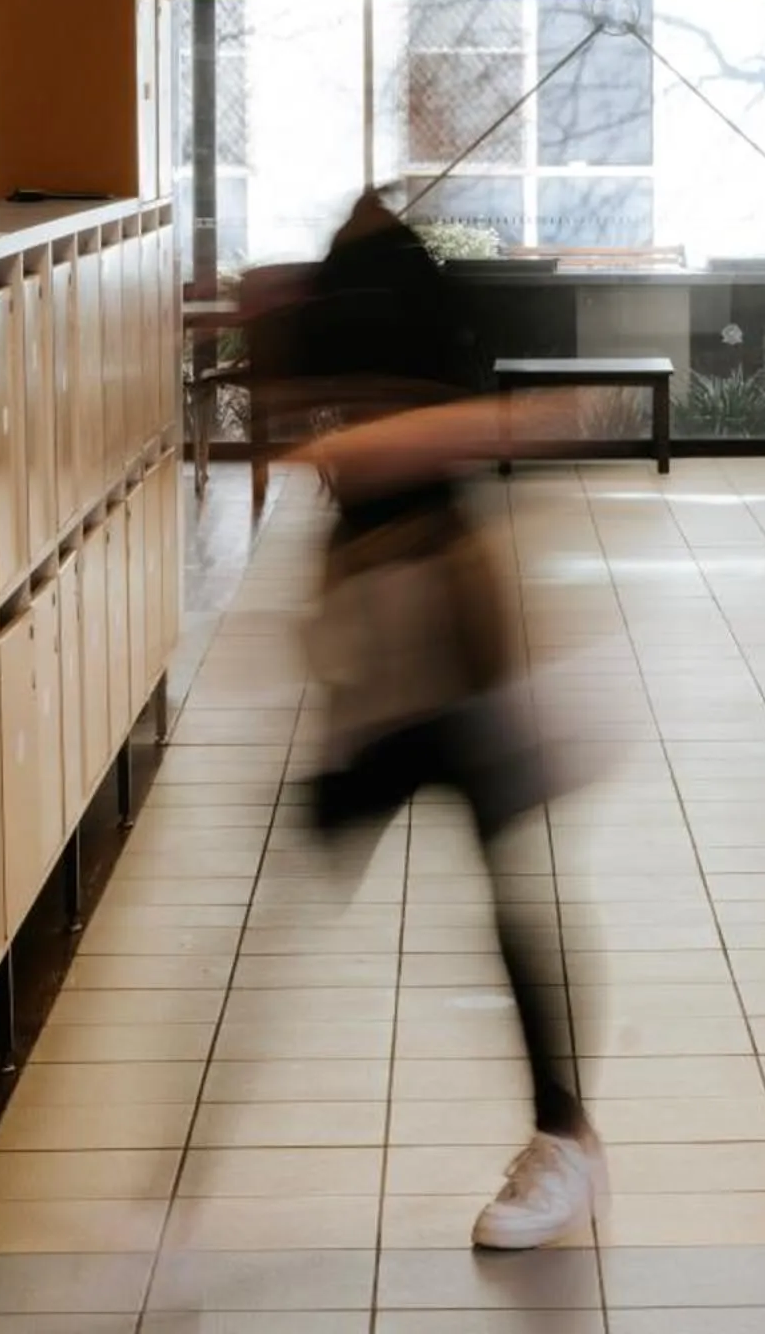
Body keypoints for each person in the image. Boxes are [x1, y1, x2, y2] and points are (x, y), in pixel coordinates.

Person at [277, 190, 602, 1250]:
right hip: (381, 645)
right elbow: (368, 447)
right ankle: (563, 1136)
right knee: (300, 887)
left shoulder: (388, 297)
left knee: (510, 886)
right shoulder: (364, 303)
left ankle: (564, 1135)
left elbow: (417, 439)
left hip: (456, 645)